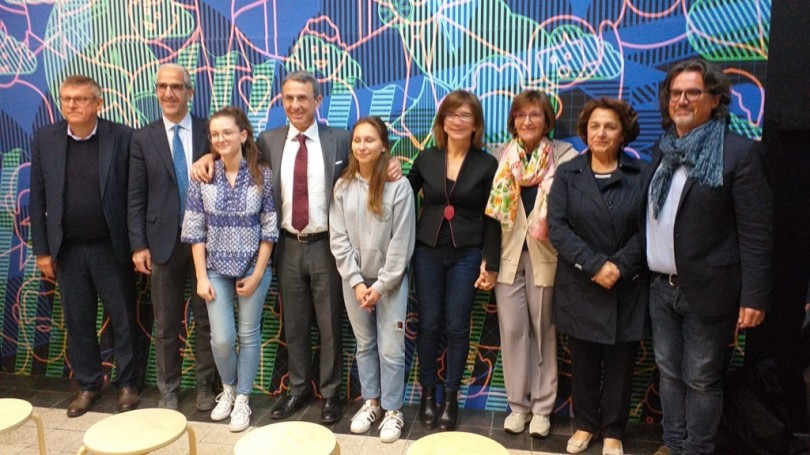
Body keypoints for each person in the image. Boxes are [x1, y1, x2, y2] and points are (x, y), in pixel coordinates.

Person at [644, 58, 773, 455]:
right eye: (676, 93)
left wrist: (753, 297)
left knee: (701, 379)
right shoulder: (662, 150)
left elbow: (756, 231)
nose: (682, 100)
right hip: (661, 289)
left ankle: (696, 450)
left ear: (715, 100)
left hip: (710, 291)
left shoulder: (738, 154)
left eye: (693, 93)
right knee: (668, 373)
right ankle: (673, 443)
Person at [30, 75, 139, 416]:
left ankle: (128, 384)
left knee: (122, 318)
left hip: (112, 247)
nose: (71, 105)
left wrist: (138, 244)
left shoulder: (121, 137)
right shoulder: (46, 139)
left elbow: (135, 195)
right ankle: (89, 384)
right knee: (78, 322)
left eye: (79, 99)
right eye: (66, 99)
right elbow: (37, 198)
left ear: (98, 103)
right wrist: (42, 250)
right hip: (69, 250)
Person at [548, 98, 647, 455]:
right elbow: (557, 228)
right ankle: (587, 424)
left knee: (621, 365)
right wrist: (594, 266)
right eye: (594, 126)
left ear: (623, 134)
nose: (601, 133)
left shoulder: (642, 174)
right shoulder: (568, 173)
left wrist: (618, 266)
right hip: (582, 283)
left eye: (609, 126)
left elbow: (648, 230)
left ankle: (613, 432)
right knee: (584, 362)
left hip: (626, 285)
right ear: (585, 131)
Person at [485, 90, 577, 437]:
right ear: (513, 121)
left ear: (547, 121)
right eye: (521, 115)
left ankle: (541, 409)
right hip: (507, 258)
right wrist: (489, 261)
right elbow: (490, 217)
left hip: (545, 256)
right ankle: (518, 406)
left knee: (543, 332)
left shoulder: (564, 157)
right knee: (511, 332)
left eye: (535, 115)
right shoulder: (500, 156)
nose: (527, 121)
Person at [408, 89, 501, 431]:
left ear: (475, 123)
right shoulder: (426, 158)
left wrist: (490, 262)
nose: (457, 121)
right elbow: (403, 193)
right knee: (430, 323)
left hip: (468, 253)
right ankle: (427, 396)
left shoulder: (487, 163)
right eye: (451, 114)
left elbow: (493, 216)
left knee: (458, 326)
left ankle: (450, 399)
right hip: (427, 251)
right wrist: (385, 172)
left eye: (465, 115)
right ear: (442, 121)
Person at [128, 63, 218, 411]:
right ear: (156, 91)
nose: (168, 93)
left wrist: (211, 152)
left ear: (189, 92)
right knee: (165, 325)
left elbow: (236, 157)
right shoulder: (143, 137)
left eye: (176, 87)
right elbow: (135, 196)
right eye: (162, 87)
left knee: (206, 321)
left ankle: (206, 387)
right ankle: (168, 389)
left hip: (206, 245)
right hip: (161, 243)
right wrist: (138, 245)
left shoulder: (209, 130)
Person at [181, 107, 278, 432]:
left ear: (243, 135)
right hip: (215, 269)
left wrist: (256, 274)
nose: (221, 138)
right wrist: (201, 277)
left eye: (227, 132)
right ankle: (228, 390)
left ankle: (244, 400)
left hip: (254, 267)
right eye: (215, 134)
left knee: (248, 335)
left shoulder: (262, 175)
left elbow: (269, 229)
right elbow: (194, 230)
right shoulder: (203, 176)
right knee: (221, 340)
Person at [329, 117, 416, 443]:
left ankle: (394, 410)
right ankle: (372, 403)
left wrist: (379, 286)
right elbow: (338, 238)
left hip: (389, 283)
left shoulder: (399, 186)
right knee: (364, 346)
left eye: (370, 140)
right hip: (354, 282)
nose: (362, 145)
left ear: (383, 145)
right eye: (357, 140)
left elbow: (401, 242)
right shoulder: (342, 186)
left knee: (391, 349)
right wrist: (356, 281)